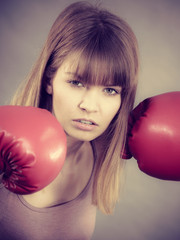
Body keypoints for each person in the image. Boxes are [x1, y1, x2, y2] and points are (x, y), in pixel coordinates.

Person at [0, 1, 139, 239]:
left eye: (110, 90)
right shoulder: (4, 148)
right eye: (76, 83)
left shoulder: (104, 152)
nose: (90, 106)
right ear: (48, 80)